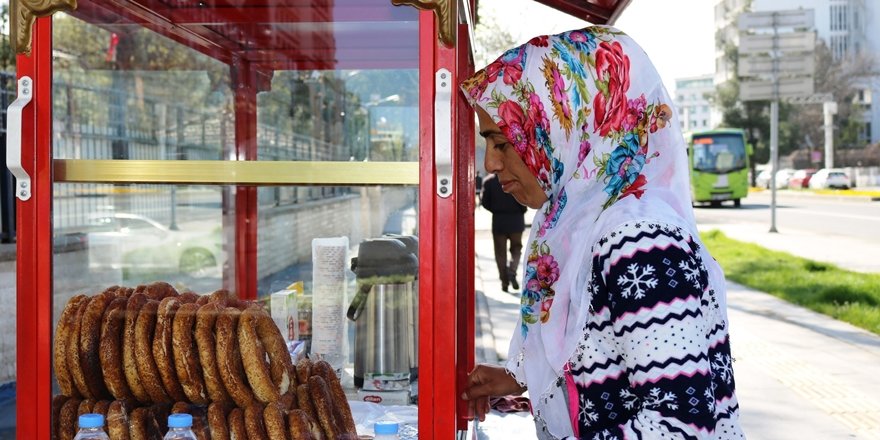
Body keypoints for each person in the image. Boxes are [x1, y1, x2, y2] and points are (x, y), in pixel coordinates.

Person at [459, 26, 744, 439]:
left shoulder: (641, 241)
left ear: (563, 131)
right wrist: (522, 378)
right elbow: (603, 367)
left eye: (503, 142)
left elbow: (680, 425)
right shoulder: (575, 224)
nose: (490, 164)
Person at [481, 173, 527, 292]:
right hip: (516, 221)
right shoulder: (517, 179)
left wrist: (497, 209)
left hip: (499, 221)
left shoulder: (489, 182)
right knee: (516, 249)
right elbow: (524, 201)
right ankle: (512, 272)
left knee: (500, 253)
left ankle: (504, 281)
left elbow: (485, 202)